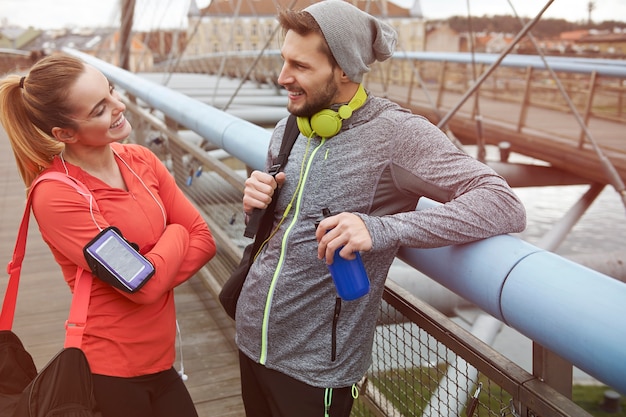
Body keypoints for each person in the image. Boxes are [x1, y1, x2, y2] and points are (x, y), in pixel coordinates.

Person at [235, 1, 527, 416]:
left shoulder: (397, 134)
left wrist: (382, 228)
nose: (283, 78)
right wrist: (257, 205)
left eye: (299, 66)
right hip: (251, 341)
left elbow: (502, 204)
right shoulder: (290, 126)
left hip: (316, 370)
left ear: (345, 70)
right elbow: (283, 234)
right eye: (284, 61)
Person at [0, 53, 216, 417]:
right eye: (100, 109)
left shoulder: (141, 159)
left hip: (162, 361)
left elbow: (205, 239)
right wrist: (178, 232)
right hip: (110, 373)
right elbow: (143, 282)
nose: (120, 106)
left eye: (112, 91)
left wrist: (152, 271)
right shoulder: (57, 193)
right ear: (64, 134)